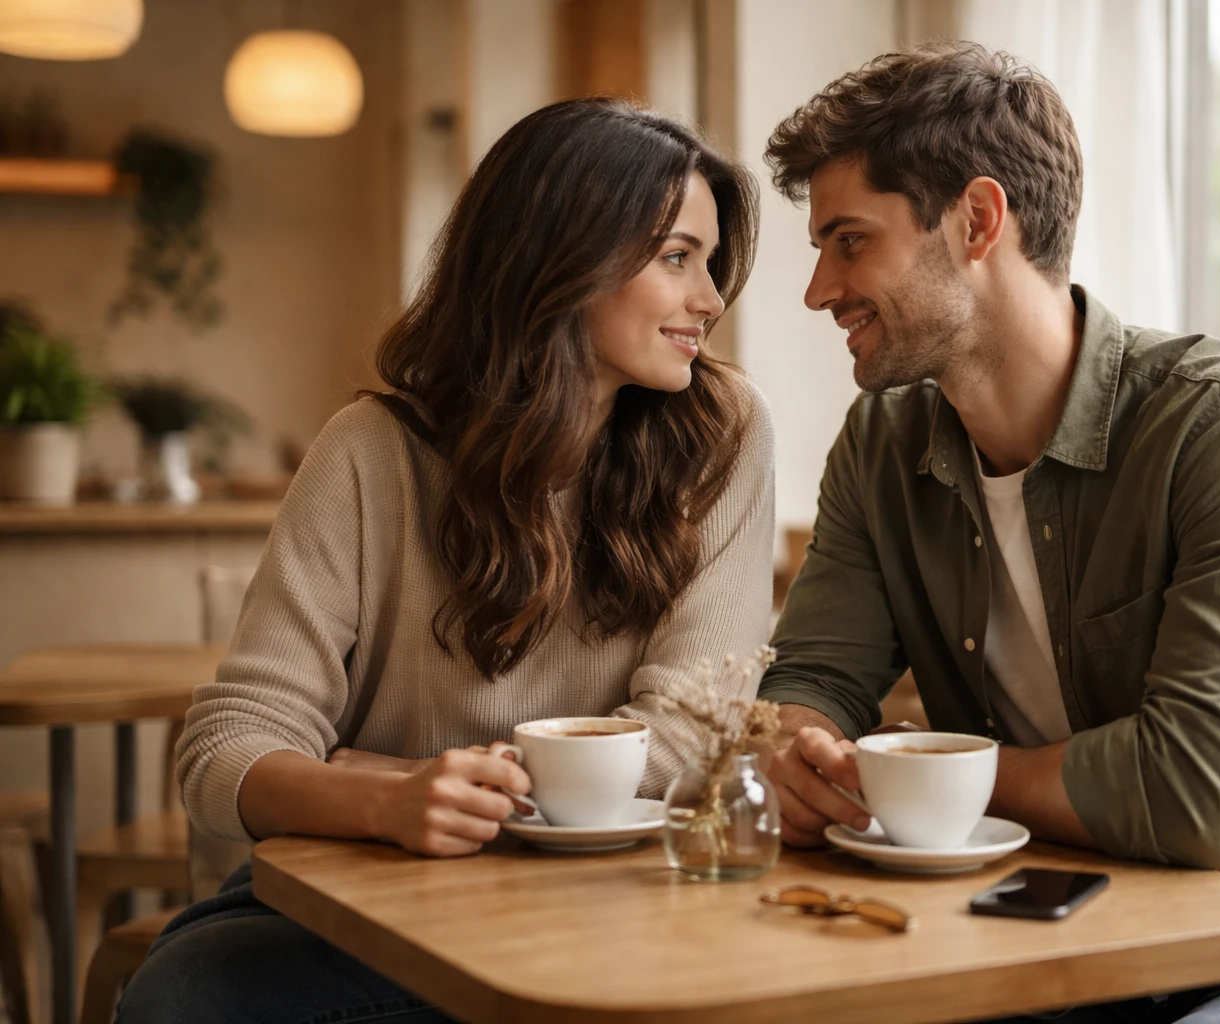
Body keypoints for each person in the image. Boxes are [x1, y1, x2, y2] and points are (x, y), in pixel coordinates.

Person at [756, 42, 1220, 1024]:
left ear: (978, 220)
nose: (819, 289)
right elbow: (811, 679)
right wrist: (797, 755)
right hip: (1047, 934)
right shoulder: (881, 445)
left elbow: (1201, 791)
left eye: (849, 241)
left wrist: (929, 773)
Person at [117, 98, 774, 1023]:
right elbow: (229, 747)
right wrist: (384, 805)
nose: (710, 298)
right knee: (186, 992)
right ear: (561, 259)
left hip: (615, 893)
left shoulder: (725, 436)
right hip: (381, 889)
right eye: (676, 258)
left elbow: (691, 735)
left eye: (709, 261)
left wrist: (400, 772)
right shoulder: (370, 451)